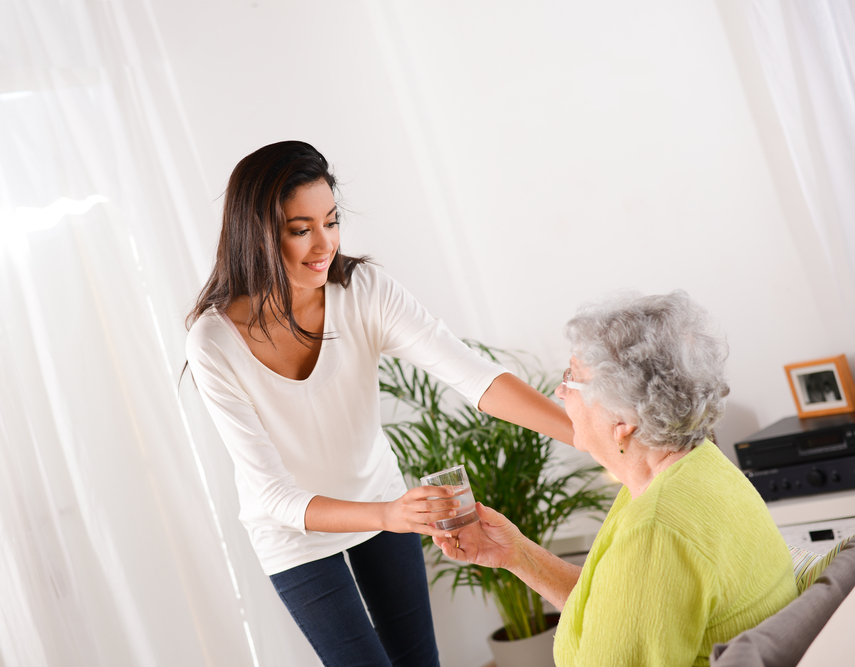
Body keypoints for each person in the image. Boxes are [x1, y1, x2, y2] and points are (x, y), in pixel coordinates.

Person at [183, 140, 574, 667]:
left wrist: (593, 436)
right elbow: (274, 494)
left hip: (381, 500)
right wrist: (388, 514)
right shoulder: (214, 342)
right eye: (301, 230)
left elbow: (474, 376)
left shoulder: (362, 290)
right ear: (256, 236)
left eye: (332, 221)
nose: (324, 244)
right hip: (296, 533)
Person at [435, 291, 798, 667]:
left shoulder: (656, 529)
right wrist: (518, 554)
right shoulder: (696, 467)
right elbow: (618, 608)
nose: (559, 393)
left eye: (570, 380)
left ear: (622, 421)